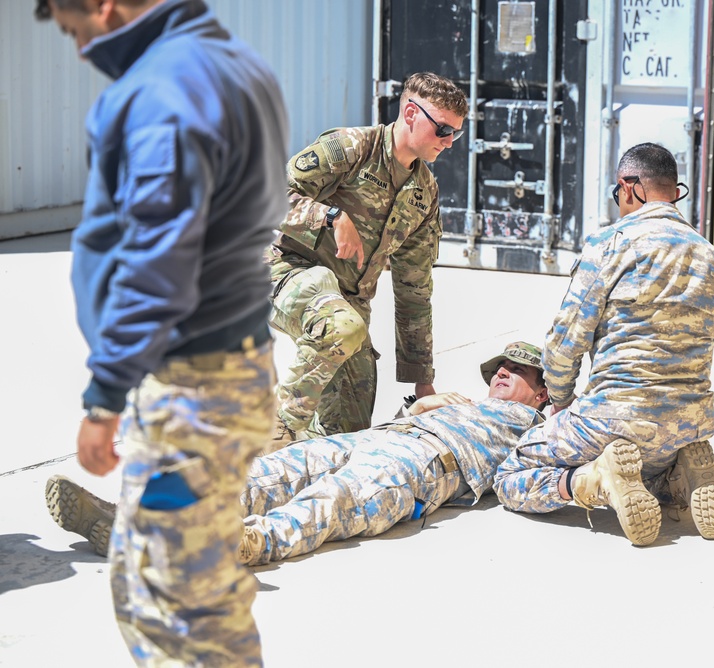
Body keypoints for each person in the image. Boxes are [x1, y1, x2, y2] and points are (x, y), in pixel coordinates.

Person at [35, 0, 288, 665]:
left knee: (170, 608)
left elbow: (159, 258)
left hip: (192, 390)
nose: (80, 49)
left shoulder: (164, 88)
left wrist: (105, 395)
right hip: (228, 371)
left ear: (102, 7)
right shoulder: (236, 66)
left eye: (76, 31)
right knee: (183, 589)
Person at [47, 342, 549, 566]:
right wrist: (423, 402)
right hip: (379, 436)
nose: (502, 373)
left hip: (425, 462)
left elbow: (553, 465)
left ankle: (245, 544)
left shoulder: (536, 428)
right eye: (498, 367)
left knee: (331, 499)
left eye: (517, 370)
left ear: (544, 392)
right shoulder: (458, 401)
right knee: (267, 472)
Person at [493, 143, 714, 546]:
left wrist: (562, 400)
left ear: (629, 187)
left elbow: (566, 341)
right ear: (674, 192)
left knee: (510, 475)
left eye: (616, 193)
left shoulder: (611, 244)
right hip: (690, 421)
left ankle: (592, 481)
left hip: (614, 416)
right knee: (645, 470)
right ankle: (677, 475)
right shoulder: (712, 256)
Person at [267, 72, 469, 445]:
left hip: (348, 304)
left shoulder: (423, 193)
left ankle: (288, 461)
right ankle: (277, 425)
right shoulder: (351, 148)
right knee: (341, 326)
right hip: (287, 271)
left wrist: (423, 383)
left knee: (346, 433)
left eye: (456, 132)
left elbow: (414, 289)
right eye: (442, 129)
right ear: (410, 114)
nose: (449, 142)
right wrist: (329, 217)